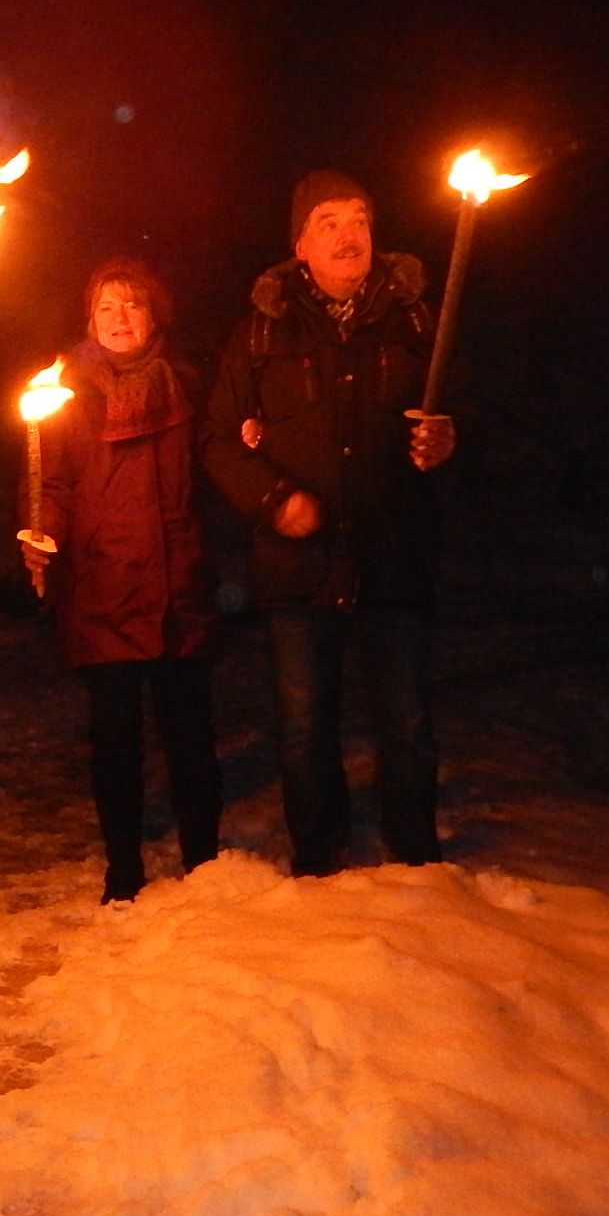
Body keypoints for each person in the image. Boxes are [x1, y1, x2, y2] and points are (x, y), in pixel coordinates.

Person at [203, 171, 458, 876]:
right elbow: (219, 441)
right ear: (300, 245)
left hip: (392, 552)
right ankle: (321, 857)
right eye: (328, 222)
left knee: (406, 724)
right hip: (300, 566)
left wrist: (449, 440)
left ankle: (417, 860)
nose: (349, 235)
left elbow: (468, 417)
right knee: (303, 727)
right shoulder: (261, 330)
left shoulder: (415, 323)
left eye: (360, 220)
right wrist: (273, 499)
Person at [22, 257, 222, 905]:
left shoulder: (186, 387)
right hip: (103, 588)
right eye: (106, 307)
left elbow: (213, 472)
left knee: (190, 736)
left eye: (131, 305)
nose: (119, 318)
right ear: (90, 320)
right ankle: (123, 868)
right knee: (115, 742)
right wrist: (40, 534)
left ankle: (203, 860)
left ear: (152, 316)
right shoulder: (67, 393)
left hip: (176, 585)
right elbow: (49, 484)